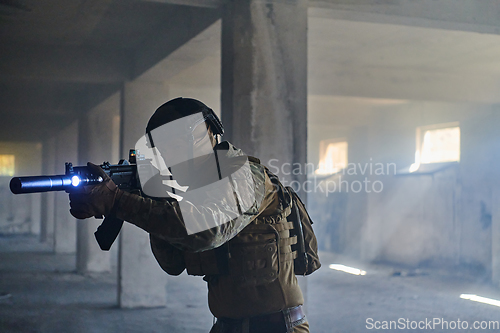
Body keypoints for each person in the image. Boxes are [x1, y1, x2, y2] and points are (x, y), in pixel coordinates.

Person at [69, 97, 319, 333]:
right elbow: (173, 263)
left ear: (210, 131)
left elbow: (205, 233)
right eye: (163, 146)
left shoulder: (242, 173)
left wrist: (120, 202)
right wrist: (151, 200)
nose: (172, 152)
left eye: (179, 139)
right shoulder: (193, 190)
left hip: (276, 328)